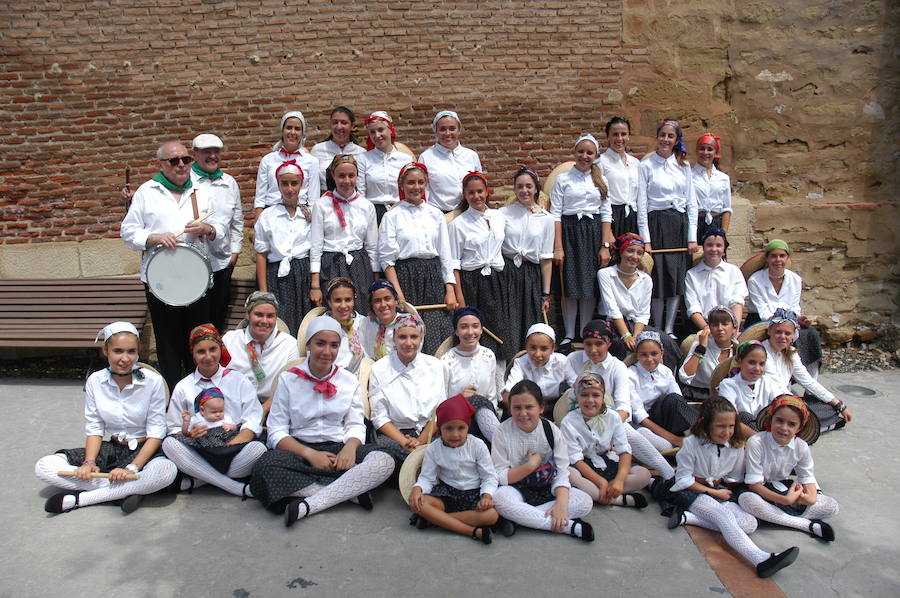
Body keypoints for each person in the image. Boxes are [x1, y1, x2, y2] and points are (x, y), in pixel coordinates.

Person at [249, 316, 401, 526]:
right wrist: (310, 454)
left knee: (385, 460)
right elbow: (276, 431)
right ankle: (347, 493)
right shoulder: (288, 380)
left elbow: (355, 424)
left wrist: (349, 448)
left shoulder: (348, 381)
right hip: (299, 451)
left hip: (340, 450)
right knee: (263, 468)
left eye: (334, 345)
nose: (327, 352)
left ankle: (306, 503)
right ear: (308, 344)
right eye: (320, 343)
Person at [35, 322, 177, 514]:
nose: (125, 359)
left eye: (131, 352)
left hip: (146, 450)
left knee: (166, 472)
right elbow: (94, 427)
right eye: (118, 351)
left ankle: (81, 499)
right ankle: (126, 490)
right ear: (106, 350)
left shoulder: (153, 381)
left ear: (138, 353)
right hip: (113, 447)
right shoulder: (95, 380)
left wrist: (133, 469)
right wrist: (89, 463)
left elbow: (157, 431)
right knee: (45, 467)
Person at [121, 140, 223, 390]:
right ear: (161, 165)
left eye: (185, 160)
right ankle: (172, 396)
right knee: (167, 342)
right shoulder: (148, 191)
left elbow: (221, 229)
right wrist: (154, 237)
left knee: (198, 338)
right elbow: (128, 230)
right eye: (174, 161)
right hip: (162, 282)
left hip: (195, 281)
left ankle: (201, 394)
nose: (181, 165)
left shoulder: (202, 190)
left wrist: (208, 228)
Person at [661, 397, 800, 579]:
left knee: (750, 523)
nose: (727, 432)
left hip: (717, 490)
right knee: (722, 515)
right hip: (689, 490)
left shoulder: (736, 446)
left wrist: (729, 479)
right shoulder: (691, 443)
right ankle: (761, 559)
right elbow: (684, 479)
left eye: (731, 426)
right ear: (705, 423)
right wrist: (713, 490)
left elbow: (733, 476)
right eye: (720, 426)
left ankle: (689, 518)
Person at [563, 319, 676, 480]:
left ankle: (663, 470)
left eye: (599, 343)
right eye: (588, 344)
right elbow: (576, 392)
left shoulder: (618, 367)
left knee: (664, 446)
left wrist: (608, 427)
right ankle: (669, 476)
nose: (593, 349)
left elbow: (623, 407)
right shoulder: (573, 360)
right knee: (628, 432)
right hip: (580, 420)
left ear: (609, 343)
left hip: (613, 419)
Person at [163, 324, 266, 498]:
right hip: (200, 449)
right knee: (169, 444)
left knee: (258, 449)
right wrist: (188, 433)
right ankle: (232, 485)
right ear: (193, 354)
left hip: (234, 445)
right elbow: (172, 427)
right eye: (201, 352)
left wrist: (230, 446)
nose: (208, 356)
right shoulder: (184, 387)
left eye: (213, 349)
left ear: (220, 348)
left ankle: (199, 480)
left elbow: (253, 419)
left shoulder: (238, 380)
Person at [491, 380, 595, 541]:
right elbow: (501, 476)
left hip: (546, 485)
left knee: (584, 502)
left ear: (541, 408)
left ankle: (520, 518)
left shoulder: (551, 430)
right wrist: (530, 466)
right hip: (516, 488)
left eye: (529, 407)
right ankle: (569, 527)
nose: (523, 413)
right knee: (500, 498)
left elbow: (561, 472)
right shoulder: (501, 432)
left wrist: (560, 504)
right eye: (517, 408)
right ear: (509, 408)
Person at [379, 161, 457, 353]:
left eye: (420, 182)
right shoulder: (392, 216)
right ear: (402, 185)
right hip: (406, 277)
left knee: (437, 330)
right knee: (410, 330)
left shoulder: (436, 214)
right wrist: (398, 294)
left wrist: (450, 289)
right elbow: (387, 260)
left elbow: (446, 255)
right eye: (411, 183)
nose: (416, 187)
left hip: (433, 277)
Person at [737, 396, 839, 541]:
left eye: (791, 424)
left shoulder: (801, 446)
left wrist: (809, 498)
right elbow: (754, 485)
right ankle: (804, 525)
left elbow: (806, 476)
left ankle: (771, 517)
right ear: (770, 420)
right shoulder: (756, 442)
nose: (784, 428)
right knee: (747, 501)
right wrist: (785, 501)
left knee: (831, 506)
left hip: (782, 488)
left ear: (799, 428)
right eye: (779, 421)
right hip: (759, 491)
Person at [408, 393, 499, 543]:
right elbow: (426, 477)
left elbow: (489, 476)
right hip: (448, 494)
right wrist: (417, 488)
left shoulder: (477, 445)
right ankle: (472, 531)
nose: (455, 434)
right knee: (420, 503)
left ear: (468, 427)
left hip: (474, 494)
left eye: (461, 428)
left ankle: (435, 521)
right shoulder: (433, 449)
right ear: (440, 429)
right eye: (449, 428)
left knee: (492, 515)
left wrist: (487, 496)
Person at [637, 119, 699, 338]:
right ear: (657, 137)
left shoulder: (684, 166)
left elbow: (692, 202)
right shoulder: (645, 166)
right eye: (662, 135)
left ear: (676, 140)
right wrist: (646, 239)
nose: (665, 139)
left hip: (678, 226)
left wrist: (692, 237)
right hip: (657, 224)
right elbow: (641, 204)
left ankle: (670, 328)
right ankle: (656, 325)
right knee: (659, 275)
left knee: (675, 276)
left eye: (670, 136)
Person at [551, 134, 612, 349]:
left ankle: (585, 330)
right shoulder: (563, 179)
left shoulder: (600, 180)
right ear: (574, 152)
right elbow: (556, 214)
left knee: (588, 284)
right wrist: (558, 246)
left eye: (589, 153)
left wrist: (605, 245)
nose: (584, 156)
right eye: (581, 151)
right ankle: (569, 333)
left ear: (595, 156)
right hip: (570, 233)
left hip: (592, 233)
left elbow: (606, 213)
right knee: (569, 283)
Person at [561, 373, 650, 508]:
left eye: (596, 395)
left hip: (606, 462)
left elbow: (624, 450)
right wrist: (601, 482)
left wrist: (619, 480)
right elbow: (576, 460)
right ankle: (618, 499)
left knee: (644, 475)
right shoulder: (569, 422)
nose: (590, 400)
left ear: (603, 397)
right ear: (577, 397)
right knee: (568, 474)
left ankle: (607, 492)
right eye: (584, 395)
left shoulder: (613, 417)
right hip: (584, 468)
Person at [448, 171, 511, 360]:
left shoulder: (498, 216)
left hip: (498, 279)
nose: (476, 196)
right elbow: (454, 263)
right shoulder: (458, 224)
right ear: (465, 195)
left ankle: (499, 373)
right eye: (471, 193)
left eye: (480, 191)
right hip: (473, 282)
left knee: (500, 328)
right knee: (476, 328)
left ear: (487, 192)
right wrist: (459, 296)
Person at [597, 233, 682, 371]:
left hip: (637, 326)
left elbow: (643, 313)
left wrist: (637, 337)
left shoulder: (646, 279)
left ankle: (669, 379)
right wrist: (626, 336)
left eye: (639, 253)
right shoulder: (605, 274)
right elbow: (612, 309)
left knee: (666, 342)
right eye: (630, 251)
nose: (634, 256)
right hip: (613, 323)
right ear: (620, 252)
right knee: (620, 345)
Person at [761, 309, 852, 431]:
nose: (782, 337)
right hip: (767, 404)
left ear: (793, 335)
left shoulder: (791, 353)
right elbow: (774, 386)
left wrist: (838, 404)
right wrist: (796, 406)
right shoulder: (761, 351)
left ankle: (812, 427)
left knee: (828, 408)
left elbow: (808, 381)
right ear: (770, 331)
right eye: (778, 332)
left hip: (787, 402)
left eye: (787, 333)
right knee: (794, 418)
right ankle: (819, 427)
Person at [309, 154, 378, 312]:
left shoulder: (366, 206)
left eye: (351, 175)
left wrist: (375, 282)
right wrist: (315, 284)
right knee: (335, 312)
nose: (347, 181)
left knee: (361, 312)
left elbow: (372, 247)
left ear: (356, 176)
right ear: (333, 176)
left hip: (359, 265)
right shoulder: (321, 205)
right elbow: (316, 245)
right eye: (341, 176)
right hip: (330, 264)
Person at [369, 313, 447, 451]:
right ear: (394, 338)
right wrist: (405, 442)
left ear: (421, 338)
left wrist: (421, 441)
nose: (408, 343)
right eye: (402, 337)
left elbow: (440, 410)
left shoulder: (435, 366)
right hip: (393, 435)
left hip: (429, 433)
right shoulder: (379, 369)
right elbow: (379, 416)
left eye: (414, 337)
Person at [747, 239, 824, 378]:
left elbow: (794, 306)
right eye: (774, 256)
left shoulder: (795, 279)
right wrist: (784, 322)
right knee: (778, 334)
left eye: (782, 256)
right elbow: (763, 310)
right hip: (760, 320)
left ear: (787, 258)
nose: (778, 260)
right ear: (767, 258)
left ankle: (810, 383)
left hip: (789, 319)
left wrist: (799, 318)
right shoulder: (755, 280)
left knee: (811, 334)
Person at [189, 133, 243, 333]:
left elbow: (237, 222)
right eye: (206, 152)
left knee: (217, 318)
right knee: (195, 320)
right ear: (195, 154)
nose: (212, 156)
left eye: (216, 152)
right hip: (193, 263)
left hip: (221, 263)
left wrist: (235, 253)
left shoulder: (229, 183)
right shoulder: (186, 181)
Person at [254, 160, 313, 335]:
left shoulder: (309, 214)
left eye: (294, 183)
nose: (289, 189)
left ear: (301, 184)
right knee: (282, 321)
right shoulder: (268, 216)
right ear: (278, 185)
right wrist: (264, 291)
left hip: (304, 273)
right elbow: (261, 254)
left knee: (305, 322)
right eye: (284, 183)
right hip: (278, 275)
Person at [500, 167, 554, 353]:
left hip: (531, 274)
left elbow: (546, 258)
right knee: (508, 319)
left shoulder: (546, 219)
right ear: (514, 189)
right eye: (520, 186)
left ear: (536, 188)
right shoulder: (503, 214)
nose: (525, 190)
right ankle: (509, 361)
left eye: (529, 186)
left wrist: (545, 293)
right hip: (507, 273)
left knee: (530, 319)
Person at [222, 291, 300, 413]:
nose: (264, 321)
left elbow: (290, 386)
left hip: (273, 409)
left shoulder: (289, 345)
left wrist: (261, 411)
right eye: (258, 314)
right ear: (248, 315)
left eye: (270, 316)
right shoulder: (230, 340)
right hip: (232, 408)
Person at [440, 307, 503, 442]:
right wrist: (460, 398)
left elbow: (491, 395)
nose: (470, 332)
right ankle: (502, 445)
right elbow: (442, 401)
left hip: (487, 419)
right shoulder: (447, 361)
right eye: (464, 327)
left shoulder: (488, 355)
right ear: (456, 331)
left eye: (475, 326)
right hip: (458, 421)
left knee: (482, 402)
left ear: (481, 329)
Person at [628, 331, 697, 451]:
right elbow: (641, 417)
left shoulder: (665, 371)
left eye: (654, 353)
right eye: (644, 355)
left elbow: (679, 402)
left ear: (662, 353)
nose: (649, 359)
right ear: (637, 355)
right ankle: (692, 439)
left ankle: (697, 435)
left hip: (668, 418)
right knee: (661, 443)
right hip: (647, 423)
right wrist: (675, 439)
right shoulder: (630, 375)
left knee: (675, 399)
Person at [254, 111, 320, 219]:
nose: (293, 132)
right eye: (289, 127)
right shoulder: (268, 160)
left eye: (297, 129)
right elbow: (260, 199)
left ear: (302, 133)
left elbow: (313, 200)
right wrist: (257, 226)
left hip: (300, 216)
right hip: (271, 215)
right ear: (282, 130)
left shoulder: (311, 161)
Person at [418, 110, 483, 213]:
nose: (448, 133)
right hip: (440, 214)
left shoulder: (471, 156)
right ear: (436, 131)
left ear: (459, 130)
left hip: (469, 213)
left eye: (452, 128)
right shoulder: (426, 157)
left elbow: (480, 186)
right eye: (443, 129)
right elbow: (424, 191)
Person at [685, 228, 747, 331]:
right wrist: (707, 328)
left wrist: (734, 328)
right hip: (703, 327)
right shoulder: (692, 275)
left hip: (729, 327)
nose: (714, 249)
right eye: (709, 245)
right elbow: (693, 308)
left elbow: (737, 302)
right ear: (703, 248)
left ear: (724, 250)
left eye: (718, 245)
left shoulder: (733, 272)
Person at [716, 340, 782, 434]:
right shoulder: (729, 385)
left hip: (767, 435)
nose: (757, 368)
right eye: (751, 362)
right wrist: (758, 440)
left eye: (762, 364)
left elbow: (783, 401)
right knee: (744, 416)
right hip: (738, 436)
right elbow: (730, 419)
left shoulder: (768, 382)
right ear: (739, 361)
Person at [502, 323, 568, 416]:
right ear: (526, 346)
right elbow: (507, 395)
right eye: (533, 348)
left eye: (544, 349)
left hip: (556, 408)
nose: (537, 354)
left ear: (553, 348)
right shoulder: (520, 363)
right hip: (527, 409)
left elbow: (576, 387)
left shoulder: (562, 362)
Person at [356, 111, 410, 223]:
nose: (377, 135)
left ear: (390, 129)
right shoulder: (363, 159)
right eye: (372, 132)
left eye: (381, 130)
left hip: (401, 212)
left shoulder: (405, 159)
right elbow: (361, 194)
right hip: (374, 213)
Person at [679, 305, 740, 401]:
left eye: (724, 324)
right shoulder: (700, 344)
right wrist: (701, 349)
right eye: (715, 325)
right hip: (698, 396)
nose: (720, 328)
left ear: (734, 329)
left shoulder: (739, 350)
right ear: (709, 328)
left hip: (727, 397)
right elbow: (684, 376)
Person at [596, 117, 640, 237]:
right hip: (613, 216)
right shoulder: (601, 162)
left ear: (628, 136)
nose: (619, 139)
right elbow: (599, 196)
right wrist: (608, 231)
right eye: (615, 134)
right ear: (608, 137)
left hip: (633, 216)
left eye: (623, 134)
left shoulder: (636, 163)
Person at [310, 106, 365, 188]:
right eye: (335, 122)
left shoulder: (362, 153)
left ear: (352, 126)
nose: (339, 127)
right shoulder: (317, 150)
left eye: (344, 123)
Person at [691, 133, 732, 242]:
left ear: (715, 152)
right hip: (696, 224)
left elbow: (726, 208)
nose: (705, 153)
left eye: (709, 149)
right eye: (702, 149)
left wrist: (723, 233)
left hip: (716, 223)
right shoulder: (689, 176)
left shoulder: (723, 178)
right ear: (696, 151)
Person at [322, 277, 366, 373]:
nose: (343, 306)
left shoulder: (364, 324)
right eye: (337, 300)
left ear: (354, 300)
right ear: (329, 302)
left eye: (348, 300)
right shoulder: (320, 328)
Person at [358, 279, 409, 361]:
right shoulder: (365, 324)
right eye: (377, 301)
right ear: (372, 305)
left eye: (387, 299)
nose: (383, 305)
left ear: (395, 301)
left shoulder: (407, 323)